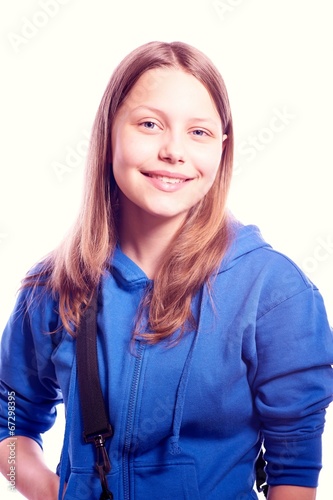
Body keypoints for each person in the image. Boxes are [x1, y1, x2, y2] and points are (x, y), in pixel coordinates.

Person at [0, 41, 332, 500]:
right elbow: (10, 415)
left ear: (222, 147)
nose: (174, 151)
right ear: (109, 133)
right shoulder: (52, 287)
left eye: (198, 132)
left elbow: (294, 469)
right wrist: (48, 490)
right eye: (150, 124)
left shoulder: (275, 292)